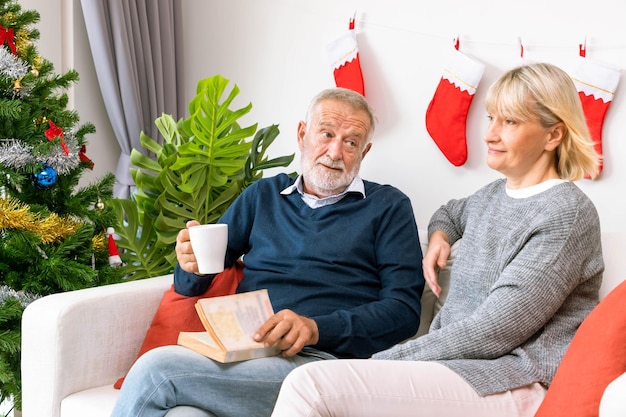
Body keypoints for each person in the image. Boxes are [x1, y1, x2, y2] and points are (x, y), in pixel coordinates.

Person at [270, 62, 605, 417]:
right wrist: (440, 237)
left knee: (311, 385)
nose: (490, 134)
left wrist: (384, 361)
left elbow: (494, 330)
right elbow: (449, 213)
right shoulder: (491, 195)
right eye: (491, 118)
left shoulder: (566, 213)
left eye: (510, 122)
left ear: (553, 135)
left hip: (513, 380)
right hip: (456, 369)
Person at [110, 88, 425, 417]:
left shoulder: (388, 207)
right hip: (244, 353)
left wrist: (316, 328)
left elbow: (404, 313)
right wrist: (192, 265)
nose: (335, 152)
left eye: (351, 142)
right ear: (303, 134)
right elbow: (193, 283)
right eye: (327, 134)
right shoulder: (264, 195)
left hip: (321, 366)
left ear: (365, 151)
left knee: (155, 371)